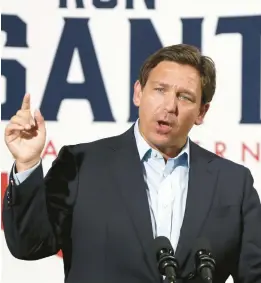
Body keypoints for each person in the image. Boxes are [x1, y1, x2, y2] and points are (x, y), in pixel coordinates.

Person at [2, 44, 261, 283]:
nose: (170, 106)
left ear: (202, 112)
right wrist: (27, 163)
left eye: (185, 97)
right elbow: (29, 245)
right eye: (160, 90)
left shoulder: (233, 184)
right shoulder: (82, 165)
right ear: (138, 93)